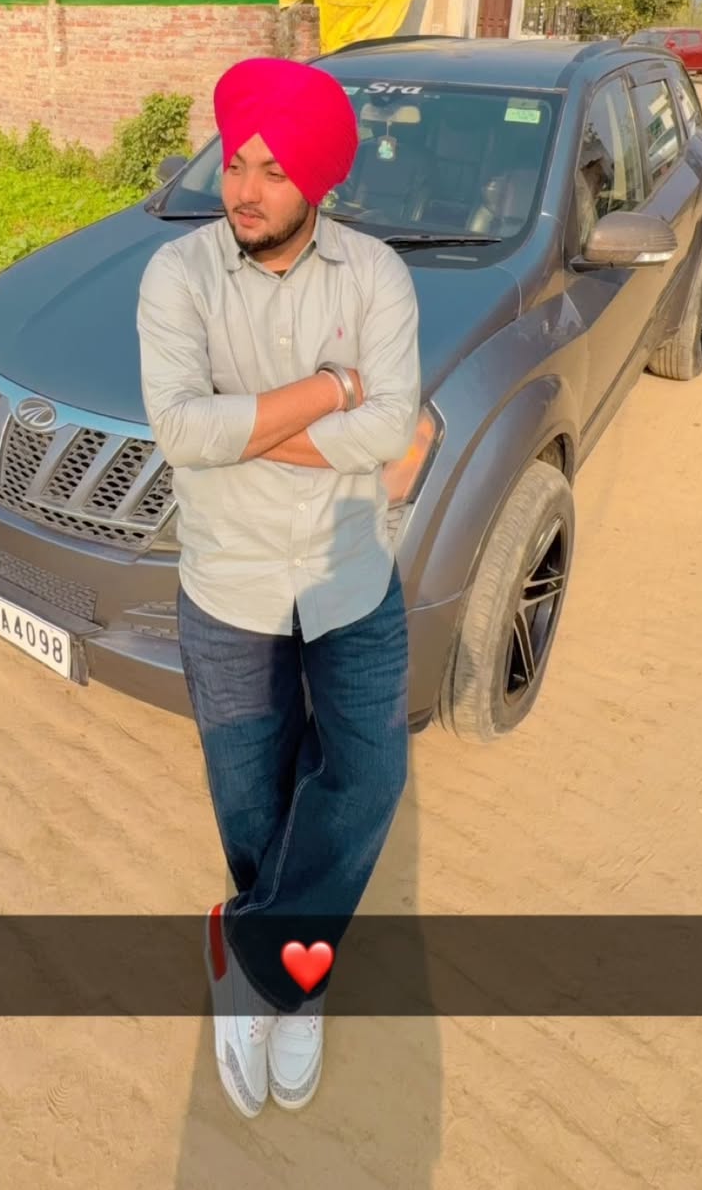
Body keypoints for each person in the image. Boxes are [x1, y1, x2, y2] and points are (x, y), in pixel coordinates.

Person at [136, 56, 421, 1118]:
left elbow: (392, 430)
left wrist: (248, 424)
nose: (244, 190)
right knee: (253, 805)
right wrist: (331, 389)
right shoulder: (179, 276)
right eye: (234, 164)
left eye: (272, 170)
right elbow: (181, 429)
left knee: (368, 774)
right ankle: (293, 973)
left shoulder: (376, 276)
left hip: (350, 577)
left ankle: (259, 963)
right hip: (231, 585)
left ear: (320, 181)